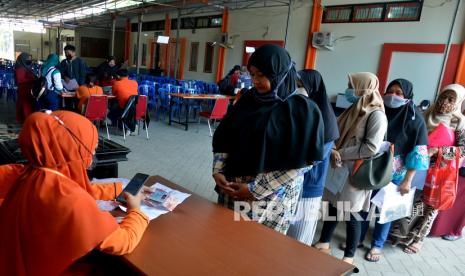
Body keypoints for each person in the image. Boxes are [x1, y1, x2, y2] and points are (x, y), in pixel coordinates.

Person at [0, 111, 149, 275]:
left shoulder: (30, 173)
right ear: (73, 149)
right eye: (92, 148)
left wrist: (119, 188)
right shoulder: (72, 200)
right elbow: (123, 242)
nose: (92, 154)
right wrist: (136, 210)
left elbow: (79, 189)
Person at [212, 44, 325, 234]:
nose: (255, 81)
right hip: (232, 190)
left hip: (271, 199)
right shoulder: (247, 101)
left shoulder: (300, 111)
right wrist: (218, 170)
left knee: (260, 252)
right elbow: (225, 137)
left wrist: (255, 190)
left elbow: (303, 162)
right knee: (226, 242)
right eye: (252, 74)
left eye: (262, 75)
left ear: (280, 74)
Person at [313, 72, 388, 265]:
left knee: (352, 214)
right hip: (339, 168)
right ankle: (324, 242)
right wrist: (334, 149)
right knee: (334, 206)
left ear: (363, 87)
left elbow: (371, 148)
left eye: (351, 85)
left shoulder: (376, 115)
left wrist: (341, 153)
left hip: (355, 172)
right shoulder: (354, 108)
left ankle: (349, 256)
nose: (348, 89)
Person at [358, 79, 429, 262]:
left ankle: (377, 245)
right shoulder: (379, 111)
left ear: (407, 96)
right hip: (372, 166)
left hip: (396, 173)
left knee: (385, 210)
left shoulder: (415, 119)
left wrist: (408, 180)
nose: (393, 96)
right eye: (390, 91)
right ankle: (357, 238)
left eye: (399, 93)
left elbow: (418, 153)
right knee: (364, 205)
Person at [397, 84, 465, 254]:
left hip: (441, 170)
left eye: (451, 99)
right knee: (415, 201)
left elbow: (463, 149)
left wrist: (438, 151)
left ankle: (419, 239)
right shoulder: (427, 114)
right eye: (443, 97)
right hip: (419, 167)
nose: (444, 102)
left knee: (431, 206)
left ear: (459, 102)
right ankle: (404, 233)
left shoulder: (460, 122)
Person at [287, 69, 339, 245]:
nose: (297, 89)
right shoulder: (297, 111)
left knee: (299, 238)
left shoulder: (326, 120)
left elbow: (312, 159)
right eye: (296, 85)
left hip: (308, 186)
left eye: (301, 86)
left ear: (314, 88)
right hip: (288, 184)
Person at [14, 52, 36, 123]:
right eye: (28, 59)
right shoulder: (20, 68)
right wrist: (32, 79)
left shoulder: (27, 68)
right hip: (23, 90)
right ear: (23, 59)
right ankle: (26, 120)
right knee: (25, 105)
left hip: (29, 89)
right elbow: (20, 80)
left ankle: (27, 119)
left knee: (27, 105)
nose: (29, 60)